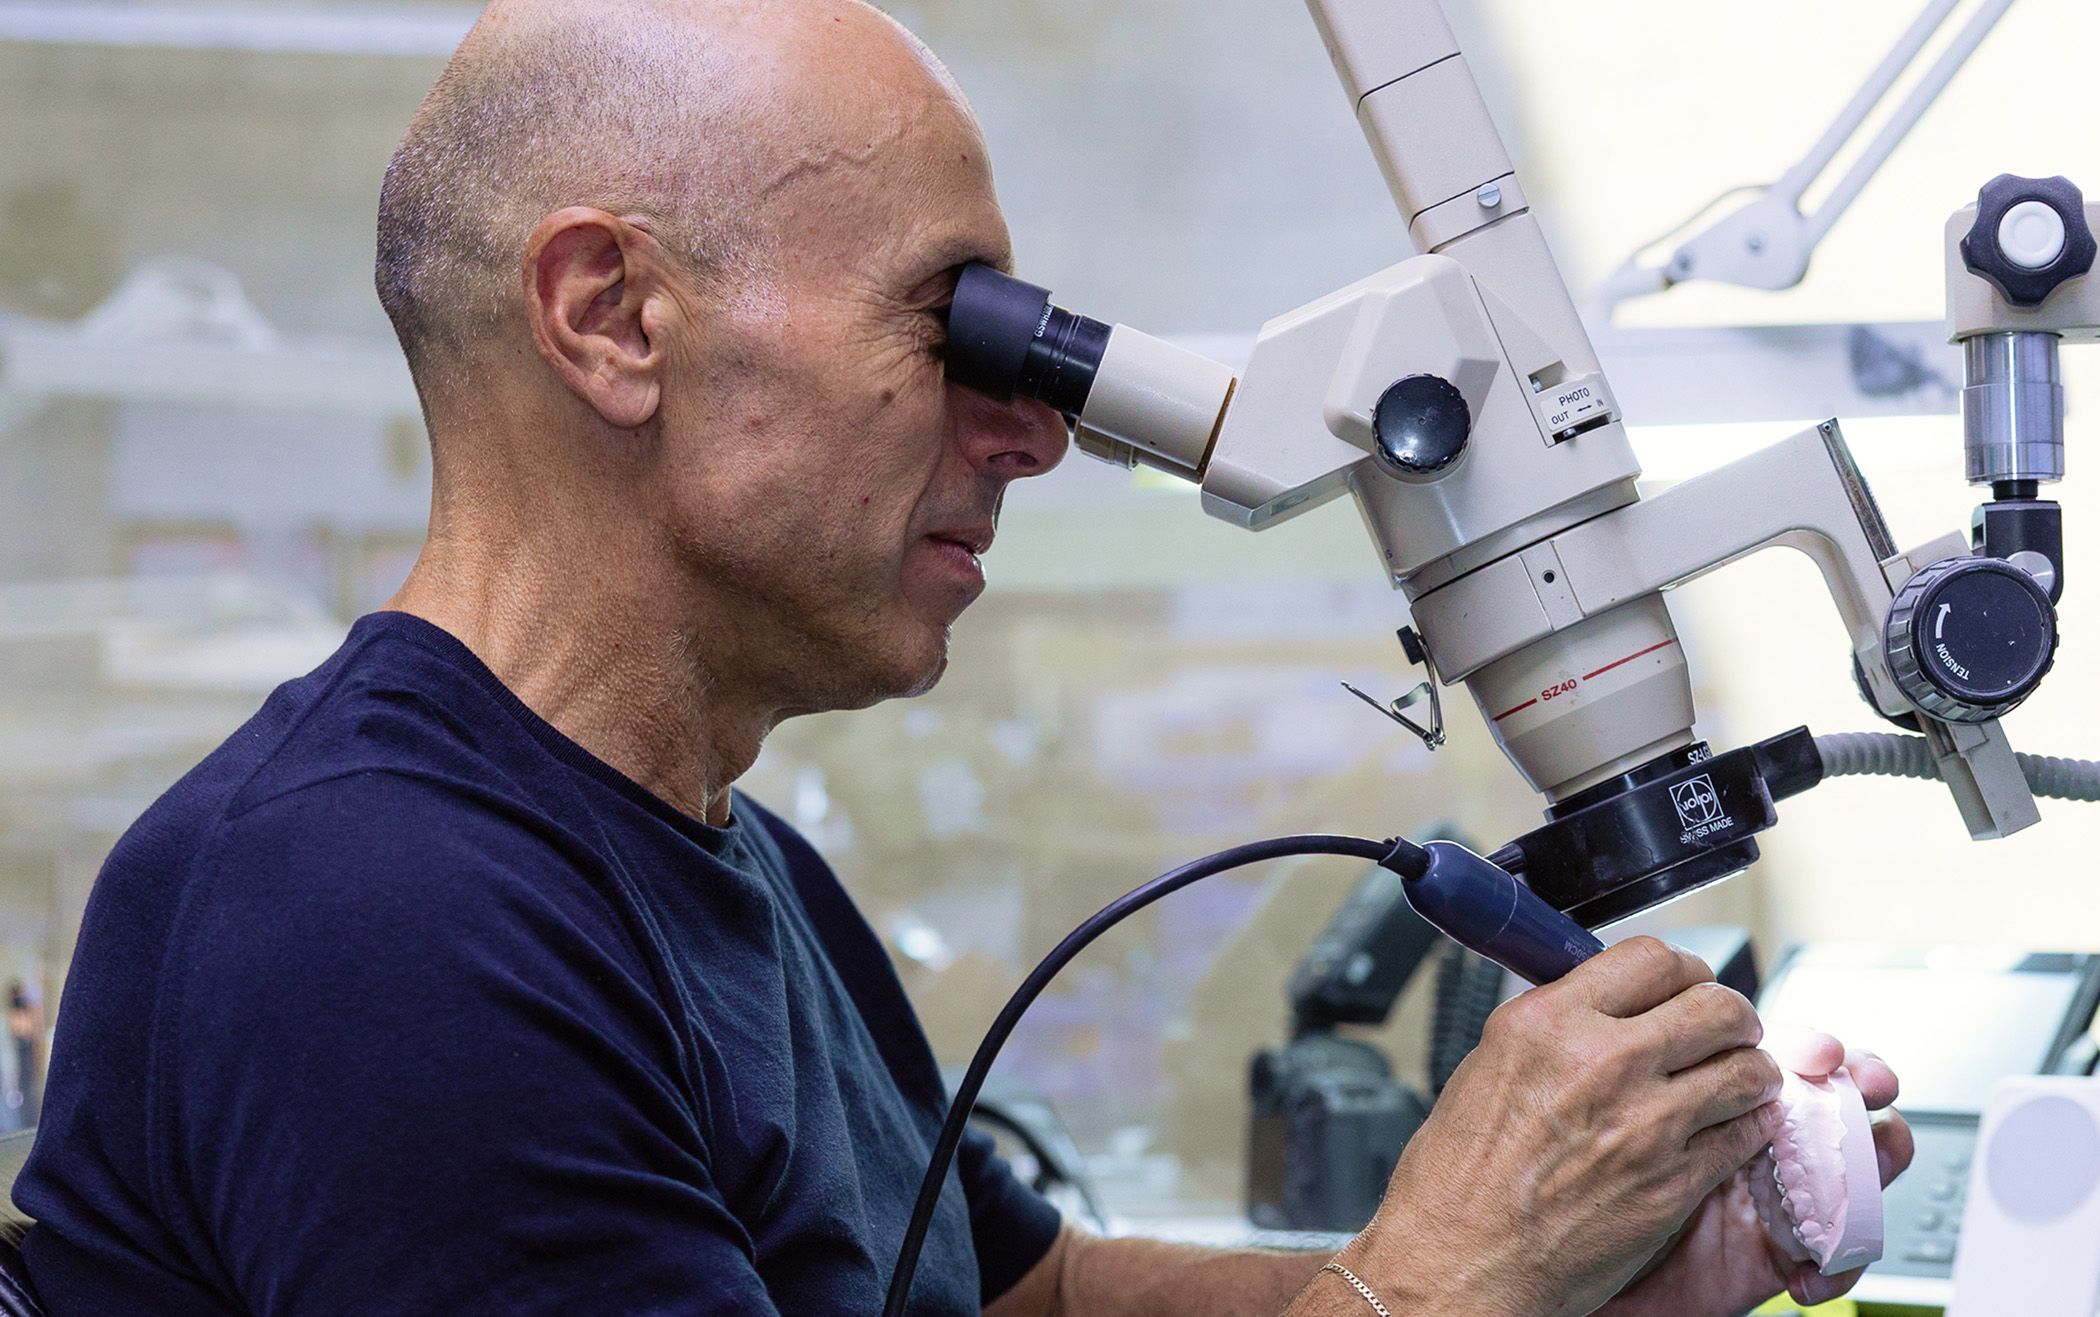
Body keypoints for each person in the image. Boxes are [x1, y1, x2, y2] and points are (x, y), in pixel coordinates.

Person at [12, 1, 1913, 1313]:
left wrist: (1584, 1267)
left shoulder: (713, 849)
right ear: (612, 318)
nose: (1032, 428)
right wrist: (1439, 1278)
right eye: (955, 324)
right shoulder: (371, 923)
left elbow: (1032, 1302)